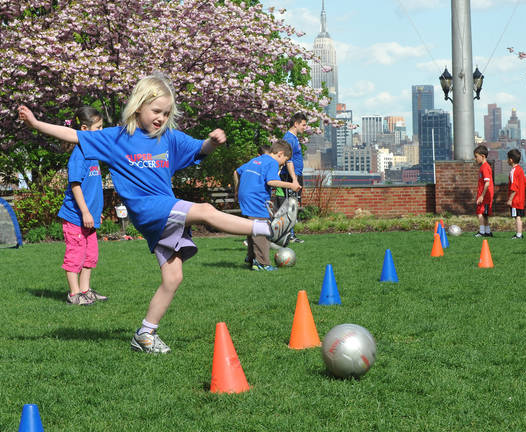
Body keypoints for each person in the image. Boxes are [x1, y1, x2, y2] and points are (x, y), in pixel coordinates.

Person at [18, 73, 295, 354]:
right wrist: (36, 123)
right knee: (205, 210)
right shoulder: (117, 138)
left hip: (165, 210)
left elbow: (200, 149)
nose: (161, 118)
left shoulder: (168, 139)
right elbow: (73, 135)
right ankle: (270, 229)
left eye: (166, 113)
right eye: (156, 111)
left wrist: (213, 141)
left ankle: (145, 334)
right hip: (146, 209)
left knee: (173, 278)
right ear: (139, 106)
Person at [57, 107, 108, 305]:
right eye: (99, 127)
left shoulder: (92, 153)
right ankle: (74, 294)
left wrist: (95, 213)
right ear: (85, 129)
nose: (102, 131)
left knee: (90, 255)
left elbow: (91, 188)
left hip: (90, 217)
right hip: (75, 217)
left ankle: (85, 291)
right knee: (75, 254)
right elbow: (75, 185)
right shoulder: (79, 154)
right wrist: (86, 212)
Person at [234, 141, 301, 271]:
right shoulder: (272, 163)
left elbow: (236, 172)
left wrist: (237, 190)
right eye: (284, 161)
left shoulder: (257, 160)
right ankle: (262, 263)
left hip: (245, 195)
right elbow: (271, 181)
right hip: (255, 197)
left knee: (251, 227)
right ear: (280, 154)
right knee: (261, 228)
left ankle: (251, 257)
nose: (282, 165)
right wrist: (292, 185)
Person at [280, 112, 308, 243]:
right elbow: (288, 160)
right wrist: (294, 179)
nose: (305, 127)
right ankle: (288, 235)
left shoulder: (294, 138)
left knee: (294, 205)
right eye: (303, 125)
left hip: (296, 175)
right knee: (289, 205)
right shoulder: (289, 138)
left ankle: (291, 234)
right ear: (296, 124)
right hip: (291, 177)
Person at [506, 148, 526, 240]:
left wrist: (510, 200)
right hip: (521, 198)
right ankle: (519, 234)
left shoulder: (513, 171)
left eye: (507, 158)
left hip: (516, 199)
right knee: (519, 216)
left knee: (517, 217)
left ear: (511, 160)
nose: (507, 160)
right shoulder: (520, 169)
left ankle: (519, 234)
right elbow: (525, 184)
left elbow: (514, 187)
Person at [473, 145, 494, 237]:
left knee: (480, 213)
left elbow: (487, 183)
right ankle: (487, 232)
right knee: (484, 214)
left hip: (485, 196)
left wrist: (481, 195)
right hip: (485, 195)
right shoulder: (484, 166)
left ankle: (481, 232)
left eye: (476, 156)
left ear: (483, 156)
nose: (475, 159)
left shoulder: (485, 167)